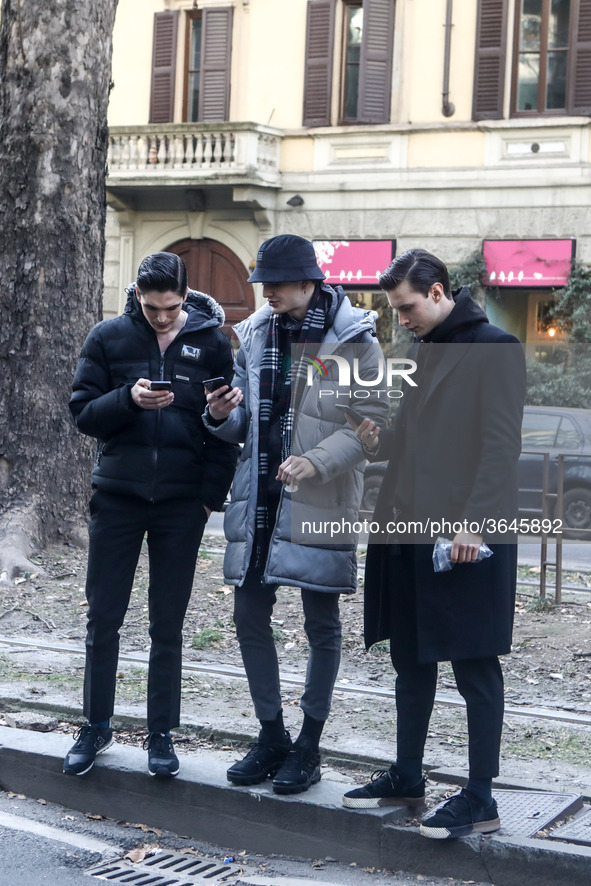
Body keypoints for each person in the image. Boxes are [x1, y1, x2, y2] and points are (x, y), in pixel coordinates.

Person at [341, 249, 526, 839]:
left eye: (408, 307)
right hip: (408, 531)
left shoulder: (495, 348)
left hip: (465, 535)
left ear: (440, 293)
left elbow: (501, 448)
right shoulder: (422, 350)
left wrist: (474, 525)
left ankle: (480, 797)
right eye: (396, 311)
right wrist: (378, 439)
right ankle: (407, 773)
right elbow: (419, 443)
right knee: (411, 659)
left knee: (474, 663)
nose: (402, 321)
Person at [203, 234, 387, 794]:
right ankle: (271, 735)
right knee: (248, 618)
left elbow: (372, 427)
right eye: (263, 283)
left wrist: (315, 460)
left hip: (321, 498)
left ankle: (308, 745)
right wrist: (218, 413)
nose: (267, 292)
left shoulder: (356, 341)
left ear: (309, 283)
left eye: (277, 283)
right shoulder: (256, 333)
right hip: (258, 495)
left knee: (321, 625)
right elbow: (241, 420)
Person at [64, 252, 239, 778]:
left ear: (185, 297)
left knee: (168, 623)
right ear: (137, 295)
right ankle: (95, 725)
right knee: (104, 616)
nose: (161, 317)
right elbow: (83, 414)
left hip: (183, 503)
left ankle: (161, 734)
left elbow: (224, 434)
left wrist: (208, 495)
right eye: (150, 306)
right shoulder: (108, 337)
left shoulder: (212, 343)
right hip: (118, 496)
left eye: (170, 307)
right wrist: (129, 399)